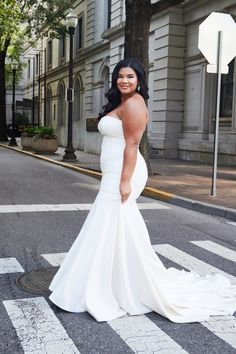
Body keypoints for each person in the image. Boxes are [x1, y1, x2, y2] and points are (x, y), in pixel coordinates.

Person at [49, 58, 236, 323]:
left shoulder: (135, 104)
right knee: (114, 224)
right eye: (120, 76)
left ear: (139, 81)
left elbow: (132, 145)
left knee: (110, 220)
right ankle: (115, 279)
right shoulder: (122, 103)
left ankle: (121, 284)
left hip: (125, 172)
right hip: (115, 171)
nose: (124, 81)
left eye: (130, 77)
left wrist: (124, 181)